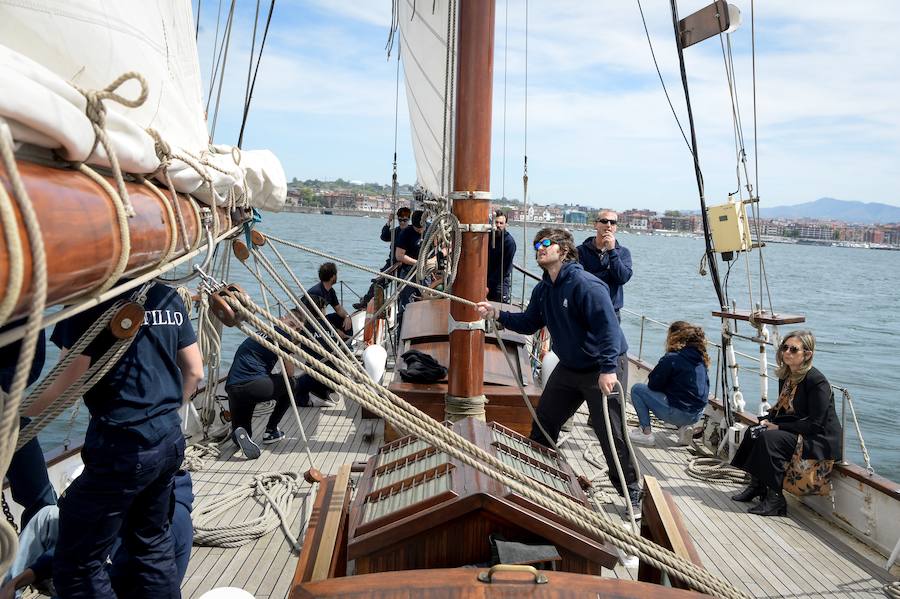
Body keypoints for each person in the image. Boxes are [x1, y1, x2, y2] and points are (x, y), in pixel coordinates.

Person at [31, 281, 203, 598]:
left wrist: (16, 412)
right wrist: (160, 415)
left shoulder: (89, 300)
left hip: (121, 448)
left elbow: (65, 386)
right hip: (168, 440)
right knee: (151, 545)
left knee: (78, 566)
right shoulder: (166, 295)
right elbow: (194, 371)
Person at [476, 228, 642, 515]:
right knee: (544, 423)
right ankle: (536, 479)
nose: (539, 248)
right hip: (570, 366)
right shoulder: (544, 289)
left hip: (602, 366)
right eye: (536, 243)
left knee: (610, 435)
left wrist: (607, 369)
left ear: (563, 250)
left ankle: (632, 493)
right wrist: (497, 314)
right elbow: (529, 323)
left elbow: (609, 330)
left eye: (545, 243)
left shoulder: (585, 286)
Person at [1, 469, 194, 599]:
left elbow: (102, 582)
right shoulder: (128, 504)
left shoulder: (155, 530)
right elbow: (80, 542)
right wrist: (20, 580)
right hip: (115, 573)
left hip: (127, 589)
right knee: (46, 516)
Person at [730, 330, 842, 516]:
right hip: (798, 427)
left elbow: (816, 423)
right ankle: (757, 486)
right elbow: (785, 409)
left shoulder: (817, 382)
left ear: (807, 354)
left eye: (793, 349)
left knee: (770, 438)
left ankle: (775, 499)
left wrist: (779, 427)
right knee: (754, 431)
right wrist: (769, 420)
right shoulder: (787, 375)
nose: (787, 352)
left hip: (817, 437)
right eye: (784, 348)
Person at [225, 309, 310, 460]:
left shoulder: (262, 330)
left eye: (297, 330)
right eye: (292, 324)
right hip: (254, 385)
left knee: (242, 433)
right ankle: (271, 431)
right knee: (292, 384)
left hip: (233, 388)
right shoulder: (282, 336)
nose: (294, 330)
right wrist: (291, 348)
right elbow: (290, 372)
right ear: (281, 319)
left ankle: (239, 435)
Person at [1, 320, 56, 531]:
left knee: (44, 507)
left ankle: (36, 556)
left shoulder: (23, 299)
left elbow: (32, 360)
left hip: (6, 414)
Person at [628, 321, 710, 446]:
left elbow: (653, 385)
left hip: (678, 413)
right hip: (697, 415)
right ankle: (683, 429)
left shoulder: (673, 358)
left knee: (637, 389)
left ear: (675, 338)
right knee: (681, 395)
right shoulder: (701, 360)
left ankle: (646, 433)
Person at [353, 206, 411, 310]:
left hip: (405, 266)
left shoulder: (411, 232)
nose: (402, 222)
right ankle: (366, 303)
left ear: (409, 220)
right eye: (400, 220)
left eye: (405, 220)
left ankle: (401, 311)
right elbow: (384, 236)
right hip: (392, 263)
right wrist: (389, 221)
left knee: (402, 290)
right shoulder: (396, 231)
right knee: (378, 282)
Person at [394, 210, 431, 317]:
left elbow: (444, 246)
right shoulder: (406, 233)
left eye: (421, 228)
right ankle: (403, 329)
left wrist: (432, 261)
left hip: (426, 272)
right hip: (408, 272)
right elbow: (399, 255)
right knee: (406, 304)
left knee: (426, 300)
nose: (420, 231)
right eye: (417, 228)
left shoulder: (431, 229)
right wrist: (418, 263)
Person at [308, 262, 353, 339]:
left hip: (322, 319)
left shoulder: (330, 291)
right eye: (336, 274)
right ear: (333, 277)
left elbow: (338, 308)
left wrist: (347, 316)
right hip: (311, 322)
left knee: (341, 318)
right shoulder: (316, 293)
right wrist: (335, 331)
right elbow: (318, 318)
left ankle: (346, 345)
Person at [486, 210, 516, 304]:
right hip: (486, 279)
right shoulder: (488, 236)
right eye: (496, 222)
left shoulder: (509, 243)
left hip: (500, 284)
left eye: (501, 223)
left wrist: (488, 284)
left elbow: (505, 268)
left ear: (505, 224)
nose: (498, 225)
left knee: (498, 310)